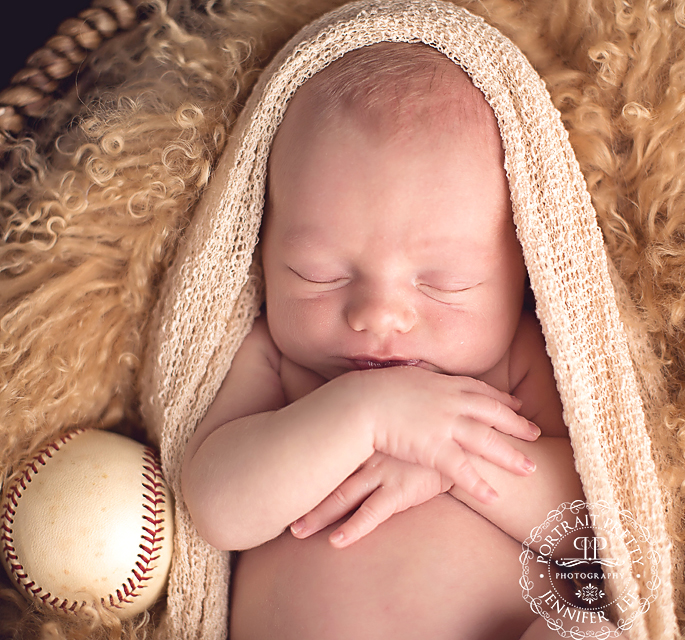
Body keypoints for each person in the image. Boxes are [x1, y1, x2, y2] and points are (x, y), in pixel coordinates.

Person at [180, 43, 618, 639]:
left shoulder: (516, 362)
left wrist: (452, 464)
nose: (378, 315)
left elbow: (596, 529)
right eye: (318, 273)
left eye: (444, 284)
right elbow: (217, 508)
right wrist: (364, 416)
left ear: (525, 269)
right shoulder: (280, 364)